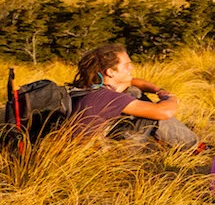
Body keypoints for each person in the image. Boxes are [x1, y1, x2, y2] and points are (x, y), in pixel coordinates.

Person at [68, 43, 200, 148]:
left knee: (133, 92)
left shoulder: (90, 88)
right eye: (127, 65)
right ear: (110, 72)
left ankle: (176, 142)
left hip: (80, 147)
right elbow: (164, 112)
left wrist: (158, 91)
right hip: (95, 157)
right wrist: (171, 97)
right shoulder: (109, 97)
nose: (131, 68)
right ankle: (193, 146)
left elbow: (132, 81)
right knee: (151, 115)